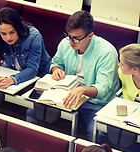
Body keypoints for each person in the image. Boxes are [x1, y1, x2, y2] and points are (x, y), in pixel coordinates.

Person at [49, 10, 119, 141]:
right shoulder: (66, 43)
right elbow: (56, 62)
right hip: (67, 95)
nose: (71, 42)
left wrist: (82, 90)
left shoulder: (107, 52)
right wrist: (56, 69)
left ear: (90, 36)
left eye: (76, 38)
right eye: (69, 36)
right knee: (34, 112)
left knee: (96, 134)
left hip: (95, 103)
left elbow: (104, 88)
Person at [0, 7, 50, 89]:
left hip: (39, 79)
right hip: (12, 75)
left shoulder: (33, 36)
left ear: (18, 28)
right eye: (3, 34)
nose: (8, 38)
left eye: (12, 32)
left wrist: (11, 80)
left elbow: (32, 70)